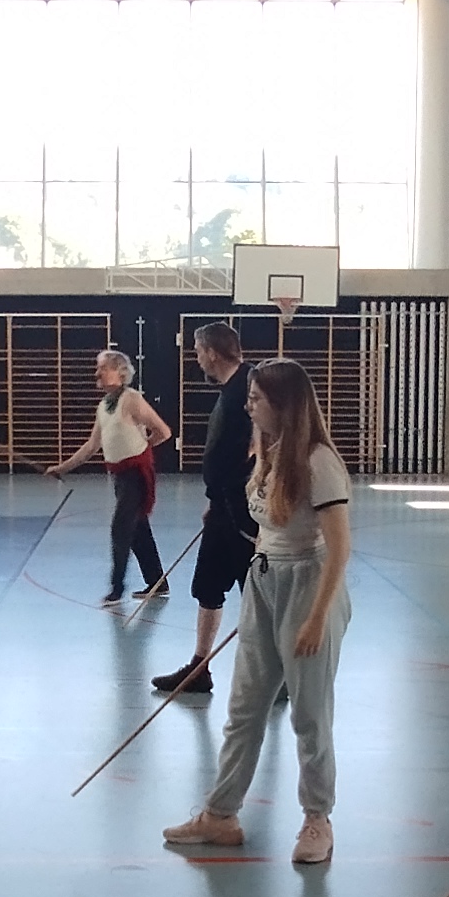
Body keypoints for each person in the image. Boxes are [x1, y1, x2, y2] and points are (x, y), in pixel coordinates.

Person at [161, 359, 351, 866]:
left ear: (283, 405)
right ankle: (220, 815)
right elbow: (266, 526)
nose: (248, 406)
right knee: (244, 709)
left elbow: (339, 547)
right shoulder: (266, 452)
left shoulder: (319, 462)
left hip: (310, 587)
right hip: (264, 580)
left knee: (309, 714)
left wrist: (316, 617)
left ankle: (317, 819)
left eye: (256, 398)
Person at [154, 323, 257, 694]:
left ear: (212, 352)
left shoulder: (250, 384)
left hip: (243, 510)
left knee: (257, 594)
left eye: (198, 351)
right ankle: (199, 669)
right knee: (208, 586)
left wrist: (247, 495)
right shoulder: (230, 388)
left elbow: (262, 441)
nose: (196, 358)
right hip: (222, 506)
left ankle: (276, 676)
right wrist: (215, 500)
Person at [46, 348, 173, 604]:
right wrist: (62, 468)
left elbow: (163, 431)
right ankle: (157, 583)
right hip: (120, 477)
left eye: (103, 368)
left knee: (121, 529)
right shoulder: (104, 406)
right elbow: (92, 446)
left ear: (120, 372)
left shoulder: (132, 399)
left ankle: (117, 588)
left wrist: (143, 447)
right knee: (138, 530)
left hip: (136, 474)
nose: (98, 372)